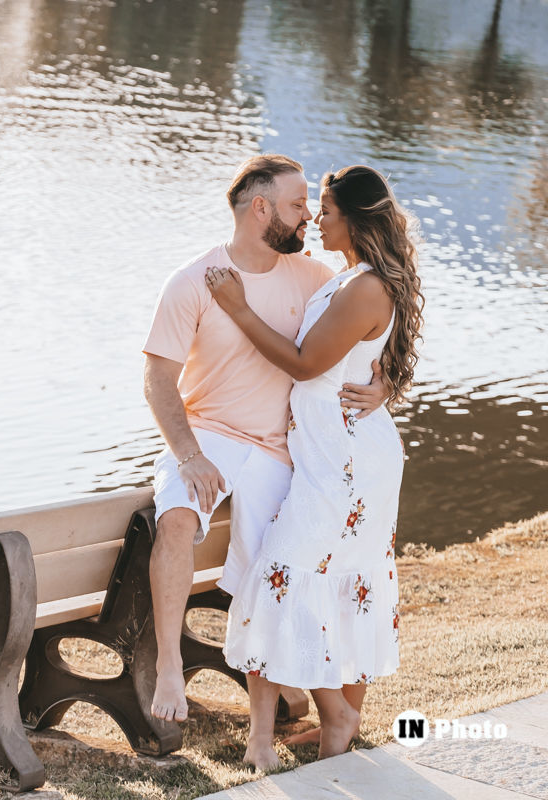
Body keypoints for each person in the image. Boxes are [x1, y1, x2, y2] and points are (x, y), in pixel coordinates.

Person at [140, 154, 389, 728]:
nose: (308, 216)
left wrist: (385, 388)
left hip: (280, 451)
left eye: (311, 206)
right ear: (260, 209)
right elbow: (157, 379)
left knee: (279, 574)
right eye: (298, 204)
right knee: (178, 516)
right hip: (207, 436)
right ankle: (171, 666)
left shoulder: (317, 281)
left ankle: (290, 692)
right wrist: (190, 456)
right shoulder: (193, 281)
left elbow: (371, 336)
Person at [207, 164, 423, 768]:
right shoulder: (356, 278)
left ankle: (338, 711)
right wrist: (380, 385)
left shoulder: (366, 287)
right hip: (339, 455)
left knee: (283, 573)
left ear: (353, 219)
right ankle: (341, 724)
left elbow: (305, 365)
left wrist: (237, 306)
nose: (316, 218)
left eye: (325, 210)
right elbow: (373, 360)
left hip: (346, 466)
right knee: (343, 580)